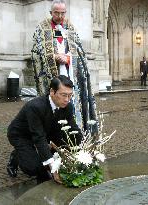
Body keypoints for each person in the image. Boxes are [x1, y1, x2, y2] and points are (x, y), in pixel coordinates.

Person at [31, 0, 98, 133]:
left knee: (71, 103)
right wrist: (53, 57)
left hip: (70, 74)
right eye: (57, 13)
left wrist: (68, 57)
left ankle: (74, 132)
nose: (60, 16)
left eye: (63, 13)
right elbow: (35, 52)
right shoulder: (42, 27)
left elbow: (79, 50)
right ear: (51, 12)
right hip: (52, 78)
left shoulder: (70, 27)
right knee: (54, 104)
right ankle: (53, 135)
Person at [6, 75, 82, 184]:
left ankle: (41, 159)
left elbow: (73, 129)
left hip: (47, 131)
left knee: (65, 144)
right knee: (33, 167)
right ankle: (17, 156)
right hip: (22, 135)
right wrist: (53, 168)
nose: (67, 100)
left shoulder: (68, 106)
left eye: (70, 95)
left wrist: (80, 151)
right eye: (63, 95)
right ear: (52, 91)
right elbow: (38, 137)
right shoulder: (34, 107)